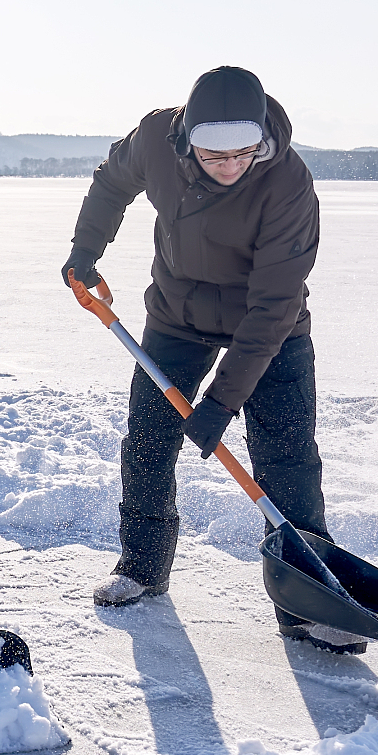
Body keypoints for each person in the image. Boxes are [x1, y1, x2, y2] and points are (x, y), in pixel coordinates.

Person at [62, 65, 327, 632]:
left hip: (269, 330)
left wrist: (222, 402)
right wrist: (85, 251)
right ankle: (143, 565)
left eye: (244, 154)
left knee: (286, 460)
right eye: (214, 157)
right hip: (178, 316)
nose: (231, 167)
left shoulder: (288, 184)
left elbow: (274, 305)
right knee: (150, 441)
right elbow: (112, 182)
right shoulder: (156, 141)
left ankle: (306, 600)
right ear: (187, 141)